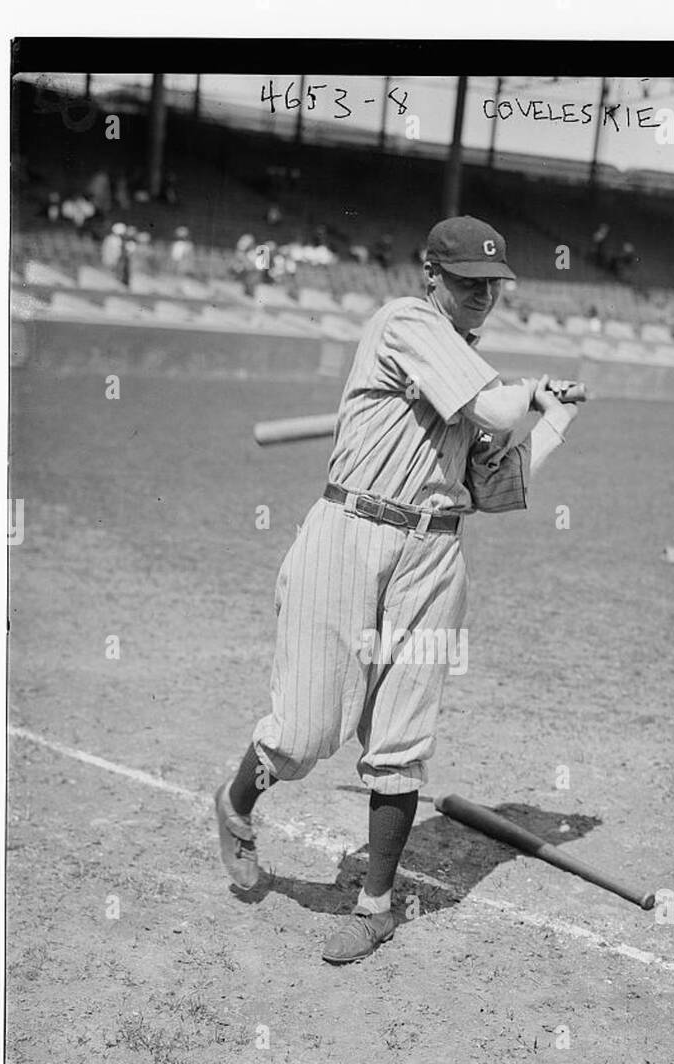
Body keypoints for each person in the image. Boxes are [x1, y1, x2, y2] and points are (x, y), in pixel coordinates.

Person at [214, 215, 579, 964]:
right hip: (349, 532)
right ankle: (236, 801)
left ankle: (375, 906)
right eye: (469, 283)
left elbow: (492, 489)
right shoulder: (404, 322)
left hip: (435, 552)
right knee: (307, 732)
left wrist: (555, 421)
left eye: (493, 285)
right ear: (431, 276)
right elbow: (501, 409)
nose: (483, 295)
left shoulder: (466, 367)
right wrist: (527, 393)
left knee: (402, 737)